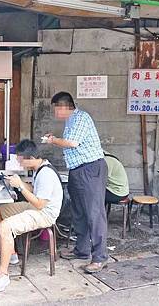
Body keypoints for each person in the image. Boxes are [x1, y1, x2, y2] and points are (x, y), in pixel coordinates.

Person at [44, 91, 108, 274]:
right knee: (79, 212)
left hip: (90, 169)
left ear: (64, 107)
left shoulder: (81, 117)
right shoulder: (70, 121)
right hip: (78, 170)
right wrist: (55, 139)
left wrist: (53, 140)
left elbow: (72, 143)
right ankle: (82, 250)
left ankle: (100, 257)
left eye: (56, 109)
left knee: (94, 213)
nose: (55, 113)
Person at [0, 140, 63, 293]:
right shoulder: (39, 168)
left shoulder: (47, 173)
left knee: (5, 226)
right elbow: (36, 190)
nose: (19, 161)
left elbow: (40, 204)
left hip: (44, 214)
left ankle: (3, 275)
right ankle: (12, 253)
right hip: (36, 207)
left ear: (30, 158)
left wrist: (21, 186)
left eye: (20, 158)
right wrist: (18, 182)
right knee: (1, 211)